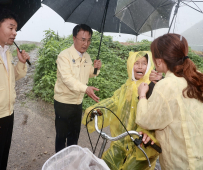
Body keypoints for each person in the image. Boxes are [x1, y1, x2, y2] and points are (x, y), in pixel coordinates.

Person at [82, 51, 160, 170]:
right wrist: (98, 110)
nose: (140, 66)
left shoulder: (154, 87)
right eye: (136, 63)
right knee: (107, 163)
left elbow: (158, 116)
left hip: (143, 145)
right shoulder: (127, 87)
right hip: (122, 141)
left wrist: (149, 133)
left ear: (149, 66)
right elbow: (115, 101)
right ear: (130, 66)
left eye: (144, 63)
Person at [136, 33, 203, 170]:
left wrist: (142, 95)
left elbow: (145, 119)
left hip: (182, 162)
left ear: (159, 61)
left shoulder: (166, 85)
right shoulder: (196, 77)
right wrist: (162, 81)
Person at [0, 8, 30, 170]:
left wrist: (21, 62)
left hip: (7, 113)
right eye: (11, 28)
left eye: (15, 28)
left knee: (2, 157)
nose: (15, 32)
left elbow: (9, 79)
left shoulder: (5, 51)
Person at [54, 24, 102, 153]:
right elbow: (67, 79)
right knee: (61, 136)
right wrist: (86, 89)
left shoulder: (86, 57)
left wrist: (96, 68)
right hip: (63, 102)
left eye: (88, 40)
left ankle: (71, 161)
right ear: (74, 38)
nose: (86, 43)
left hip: (77, 102)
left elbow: (88, 73)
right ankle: (59, 163)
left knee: (74, 136)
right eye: (83, 39)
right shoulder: (64, 56)